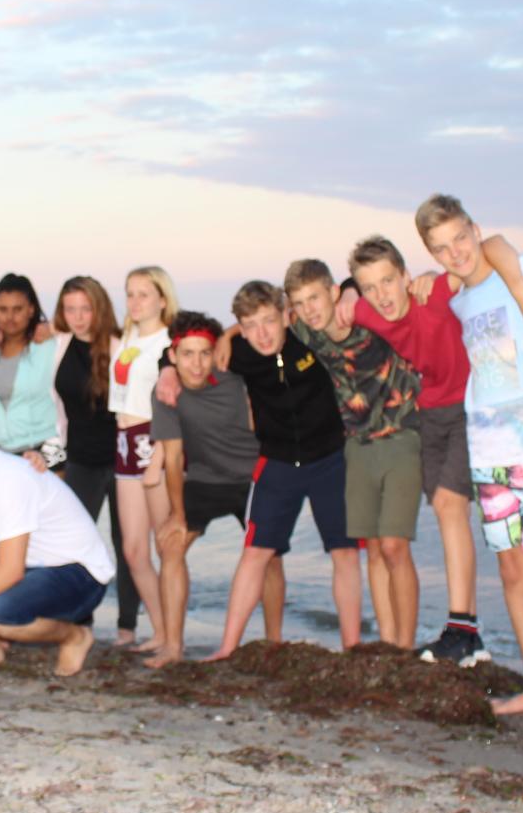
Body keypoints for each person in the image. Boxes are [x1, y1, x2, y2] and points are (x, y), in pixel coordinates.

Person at [341, 230, 523, 669]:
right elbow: (331, 306)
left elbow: (490, 246)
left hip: (469, 408)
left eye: (387, 281)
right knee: (446, 513)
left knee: (448, 505)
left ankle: (461, 629)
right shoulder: (365, 309)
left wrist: (518, 288)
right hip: (428, 415)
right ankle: (469, 634)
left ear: (404, 276)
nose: (382, 296)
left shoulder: (434, 292)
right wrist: (347, 295)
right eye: (370, 287)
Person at [417, 196, 523, 728]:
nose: (456, 253)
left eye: (461, 238)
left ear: (475, 229)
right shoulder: (458, 297)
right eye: (441, 248)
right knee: (512, 572)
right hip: (487, 452)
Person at [199, 281, 361, 658]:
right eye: (250, 325)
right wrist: (173, 368)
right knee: (255, 553)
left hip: (332, 459)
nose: (262, 334)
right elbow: (180, 351)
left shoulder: (310, 339)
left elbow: (345, 298)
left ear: (286, 316)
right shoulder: (239, 352)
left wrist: (352, 291)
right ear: (241, 327)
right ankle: (226, 649)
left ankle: (352, 648)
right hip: (277, 463)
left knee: (345, 552)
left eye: (269, 321)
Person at [285, 258, 423, 648]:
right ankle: (387, 643)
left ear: (332, 292)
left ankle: (405, 648)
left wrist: (351, 289)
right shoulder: (307, 332)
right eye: (300, 302)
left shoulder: (367, 317)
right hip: (357, 446)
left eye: (315, 298)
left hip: (402, 434)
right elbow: (261, 321)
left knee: (394, 545)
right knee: (375, 549)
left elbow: (390, 294)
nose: (309, 309)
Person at [0, 395, 115, 675]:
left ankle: (75, 636)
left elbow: (11, 569)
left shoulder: (7, 479)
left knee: (0, 614)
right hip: (35, 562)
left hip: (80, 573)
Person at [145, 310, 287, 668]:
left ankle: (275, 644)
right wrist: (178, 516)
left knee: (269, 556)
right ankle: (173, 647)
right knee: (171, 545)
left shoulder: (235, 378)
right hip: (205, 479)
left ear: (215, 352)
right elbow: (173, 459)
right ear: (173, 355)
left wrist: (231, 332)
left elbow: (274, 319)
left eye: (204, 353)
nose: (196, 364)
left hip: (254, 477)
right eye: (188, 354)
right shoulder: (166, 393)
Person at [51, 276, 140, 643]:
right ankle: (79, 621)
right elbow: (58, 413)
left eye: (85, 309)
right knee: (73, 545)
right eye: (70, 309)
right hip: (79, 461)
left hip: (121, 463)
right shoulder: (58, 344)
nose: (78, 317)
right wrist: (57, 457)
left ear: (99, 308)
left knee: (128, 546)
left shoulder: (122, 347)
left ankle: (127, 627)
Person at [106, 265, 178, 651]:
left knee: (166, 546)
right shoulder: (127, 338)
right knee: (134, 550)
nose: (134, 302)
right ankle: (161, 629)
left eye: (144, 294)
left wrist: (161, 454)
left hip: (152, 441)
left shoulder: (169, 343)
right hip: (123, 442)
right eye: (130, 293)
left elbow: (176, 403)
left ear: (162, 299)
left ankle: (172, 636)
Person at [0, 273, 63, 466]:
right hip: (2, 452)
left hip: (46, 450)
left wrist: (54, 327)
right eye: (2, 309)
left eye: (18, 309)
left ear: (31, 310)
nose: (10, 317)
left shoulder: (50, 346)